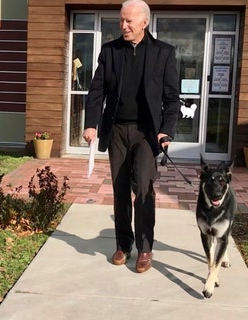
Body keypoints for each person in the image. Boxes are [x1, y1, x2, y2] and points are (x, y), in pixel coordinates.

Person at [83, 0, 180, 273]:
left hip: (147, 133)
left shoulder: (164, 53)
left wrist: (167, 130)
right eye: (121, 21)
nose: (123, 26)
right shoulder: (110, 51)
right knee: (120, 188)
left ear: (144, 23)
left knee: (144, 189)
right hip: (116, 130)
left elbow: (172, 98)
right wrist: (92, 124)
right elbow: (96, 91)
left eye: (129, 21)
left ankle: (145, 247)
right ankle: (123, 244)